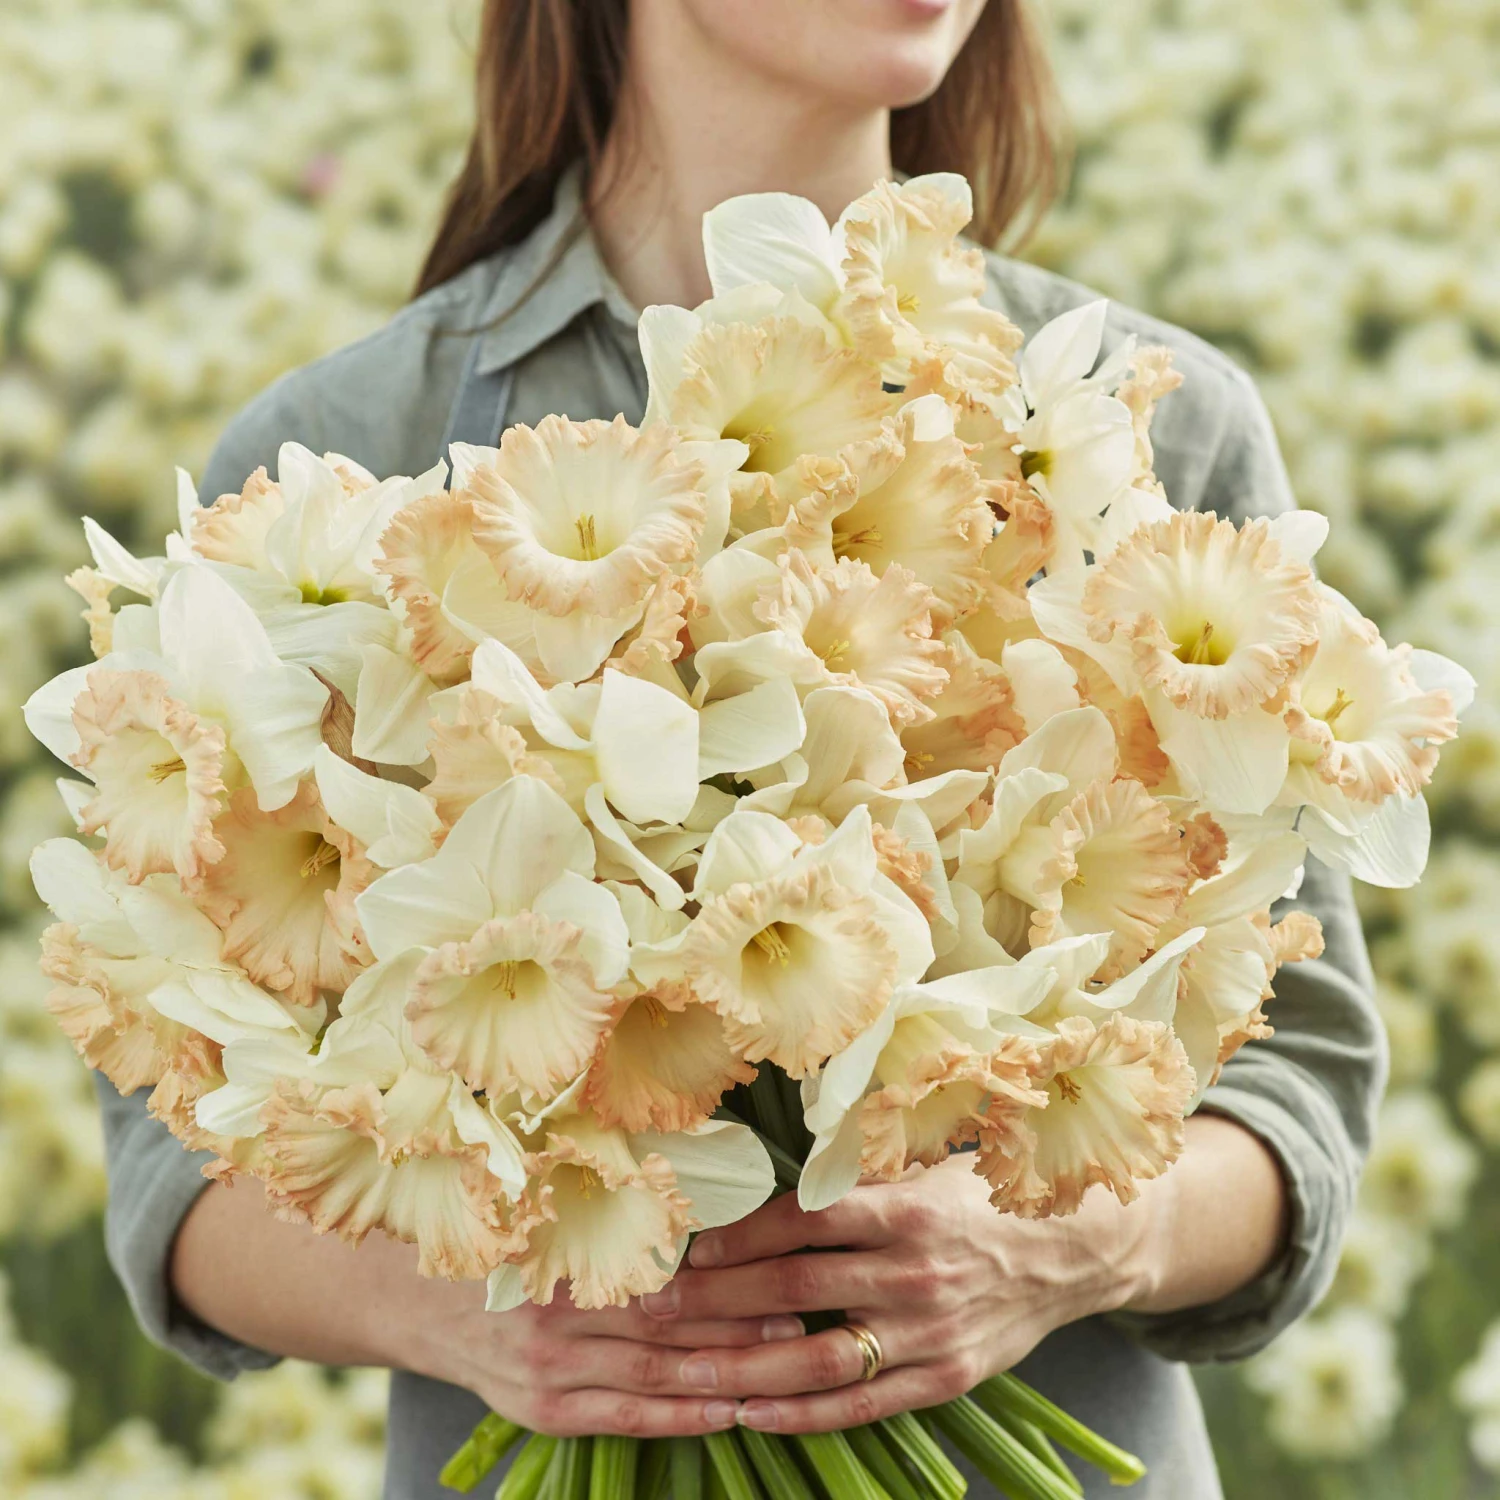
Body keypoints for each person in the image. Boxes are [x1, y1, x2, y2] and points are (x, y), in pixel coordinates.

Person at [92, 2, 1385, 1496]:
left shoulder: (1122, 432)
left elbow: (1301, 1088)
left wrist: (1075, 1241)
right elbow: (173, 1164)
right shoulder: (346, 456)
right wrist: (473, 1303)